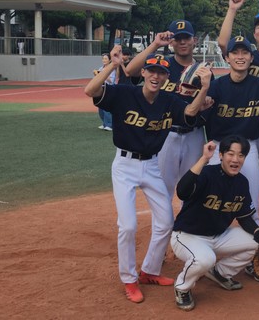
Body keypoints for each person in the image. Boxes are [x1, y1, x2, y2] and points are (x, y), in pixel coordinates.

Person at [84, 46, 212, 304]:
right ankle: (129, 278)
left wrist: (205, 88)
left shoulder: (169, 101)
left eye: (161, 72)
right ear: (143, 73)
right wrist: (113, 65)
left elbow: (189, 113)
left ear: (166, 77)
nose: (156, 76)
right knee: (128, 226)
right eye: (151, 70)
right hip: (125, 165)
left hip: (152, 165)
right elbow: (91, 90)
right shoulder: (124, 94)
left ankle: (149, 271)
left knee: (165, 221)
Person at [205, 35, 259, 228]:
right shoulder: (216, 86)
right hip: (219, 148)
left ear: (251, 58)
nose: (240, 56)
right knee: (213, 199)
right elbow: (200, 112)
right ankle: (212, 238)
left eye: (245, 52)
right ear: (227, 58)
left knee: (251, 199)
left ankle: (253, 240)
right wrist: (203, 97)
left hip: (248, 147)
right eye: (235, 53)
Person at [171, 137, 259, 311]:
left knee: (257, 242)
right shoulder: (207, 174)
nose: (235, 159)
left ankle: (220, 272)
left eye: (241, 155)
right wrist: (204, 159)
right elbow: (182, 191)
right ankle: (182, 287)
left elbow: (244, 218)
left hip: (219, 236)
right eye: (231, 154)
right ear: (221, 155)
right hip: (187, 236)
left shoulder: (242, 183)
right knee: (205, 259)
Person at [217, 0, 259, 219]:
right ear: (254, 34)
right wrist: (232, 10)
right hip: (250, 128)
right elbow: (223, 44)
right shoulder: (246, 57)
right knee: (241, 177)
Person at [125, 22, 209, 198]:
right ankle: (163, 218)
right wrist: (155, 44)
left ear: (194, 40)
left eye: (186, 38)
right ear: (171, 42)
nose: (182, 42)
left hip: (194, 134)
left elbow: (209, 104)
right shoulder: (162, 65)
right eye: (177, 38)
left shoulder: (203, 71)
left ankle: (187, 218)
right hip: (165, 133)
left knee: (192, 187)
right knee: (162, 188)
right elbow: (130, 71)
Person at [94, 53, 116, 131]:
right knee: (100, 107)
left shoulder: (112, 69)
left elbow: (111, 81)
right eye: (103, 58)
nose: (104, 60)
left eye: (106, 59)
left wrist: (103, 74)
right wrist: (96, 74)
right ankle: (104, 123)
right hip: (101, 88)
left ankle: (109, 125)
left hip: (108, 89)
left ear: (109, 60)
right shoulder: (101, 68)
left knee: (106, 108)